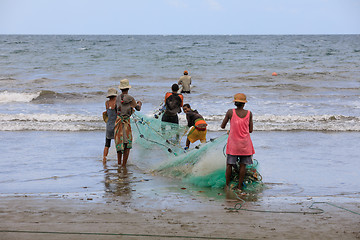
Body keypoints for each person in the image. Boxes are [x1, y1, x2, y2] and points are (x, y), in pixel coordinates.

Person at [220, 93, 255, 191]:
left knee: (229, 165)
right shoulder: (249, 113)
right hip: (245, 144)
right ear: (244, 104)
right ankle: (240, 186)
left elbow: (222, 126)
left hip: (233, 144)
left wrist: (231, 128)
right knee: (243, 165)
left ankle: (227, 185)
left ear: (235, 103)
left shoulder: (230, 112)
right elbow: (250, 130)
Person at [114, 79, 142, 167]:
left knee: (119, 143)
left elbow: (116, 109)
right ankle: (124, 164)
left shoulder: (117, 97)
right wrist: (139, 103)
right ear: (128, 88)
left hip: (118, 122)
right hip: (126, 123)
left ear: (121, 89)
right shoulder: (130, 98)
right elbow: (138, 108)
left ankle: (119, 163)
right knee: (127, 144)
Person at [103, 88, 118, 164]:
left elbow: (108, 113)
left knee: (107, 144)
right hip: (116, 126)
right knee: (117, 144)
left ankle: (104, 159)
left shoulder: (107, 103)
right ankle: (119, 160)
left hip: (108, 126)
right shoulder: (117, 103)